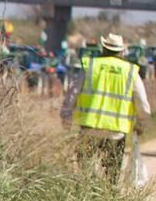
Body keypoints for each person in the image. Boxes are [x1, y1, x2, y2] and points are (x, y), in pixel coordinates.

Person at [61, 33, 150, 180]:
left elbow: (73, 93)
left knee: (84, 175)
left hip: (89, 130)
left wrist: (66, 117)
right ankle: (107, 200)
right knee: (111, 177)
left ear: (104, 49)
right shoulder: (130, 71)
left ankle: (85, 200)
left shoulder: (91, 66)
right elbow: (142, 103)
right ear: (121, 51)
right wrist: (142, 125)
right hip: (116, 133)